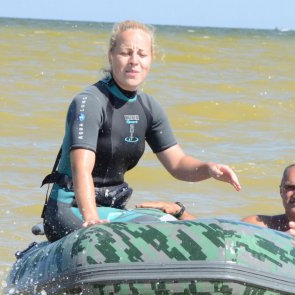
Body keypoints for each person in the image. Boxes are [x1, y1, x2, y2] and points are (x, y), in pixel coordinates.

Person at [41, 20, 240, 242]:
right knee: (155, 226)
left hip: (111, 209)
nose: (134, 61)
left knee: (165, 218)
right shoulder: (90, 102)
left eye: (142, 55)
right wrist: (92, 219)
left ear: (151, 59)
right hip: (72, 208)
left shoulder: (148, 107)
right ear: (111, 56)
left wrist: (209, 169)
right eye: (126, 53)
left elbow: (177, 164)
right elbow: (81, 168)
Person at [137, 163, 295, 236]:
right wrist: (178, 211)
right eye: (290, 188)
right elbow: (215, 232)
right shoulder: (260, 224)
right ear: (281, 191)